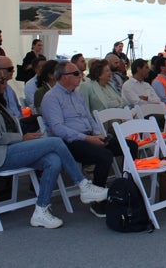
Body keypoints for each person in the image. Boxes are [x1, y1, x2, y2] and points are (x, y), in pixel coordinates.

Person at [0, 65, 109, 228]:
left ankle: (41, 210)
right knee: (55, 142)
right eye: (1, 80)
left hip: (8, 150)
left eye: (5, 79)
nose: (5, 83)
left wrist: (24, 138)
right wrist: (21, 138)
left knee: (53, 160)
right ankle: (83, 185)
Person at [41, 62, 138, 218]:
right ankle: (97, 200)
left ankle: (127, 188)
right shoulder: (51, 98)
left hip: (88, 136)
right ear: (64, 77)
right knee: (104, 155)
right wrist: (88, 138)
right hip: (68, 142)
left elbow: (89, 118)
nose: (81, 76)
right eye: (77, 73)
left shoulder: (76, 95)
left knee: (130, 146)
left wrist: (98, 134)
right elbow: (58, 129)